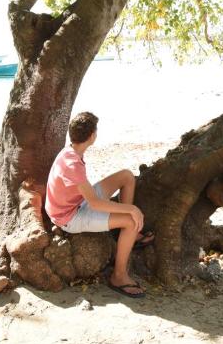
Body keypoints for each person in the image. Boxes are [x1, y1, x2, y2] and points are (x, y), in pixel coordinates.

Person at [44, 111, 154, 299]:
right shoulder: (72, 165)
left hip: (77, 201)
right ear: (93, 136)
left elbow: (88, 196)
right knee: (130, 220)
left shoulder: (70, 151)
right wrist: (132, 209)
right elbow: (94, 203)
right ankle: (118, 277)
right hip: (70, 217)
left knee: (126, 176)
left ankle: (126, 236)